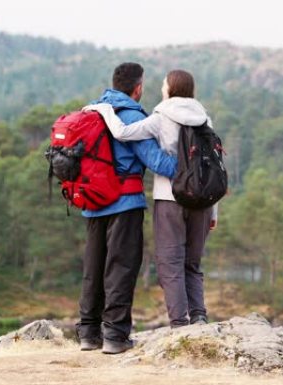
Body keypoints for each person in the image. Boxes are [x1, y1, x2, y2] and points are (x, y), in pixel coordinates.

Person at [87, 69, 217, 328]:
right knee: (192, 263)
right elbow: (212, 167)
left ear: (169, 89)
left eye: (163, 85)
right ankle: (199, 316)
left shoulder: (161, 116)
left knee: (170, 264)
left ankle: (180, 323)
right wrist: (213, 211)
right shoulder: (205, 120)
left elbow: (122, 133)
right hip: (203, 202)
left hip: (170, 199)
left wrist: (104, 111)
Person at [77, 63, 178, 354]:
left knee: (93, 268)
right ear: (138, 87)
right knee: (121, 267)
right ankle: (116, 336)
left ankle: (88, 333)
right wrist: (189, 168)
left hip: (93, 203)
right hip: (125, 202)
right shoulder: (132, 115)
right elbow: (157, 162)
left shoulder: (93, 112)